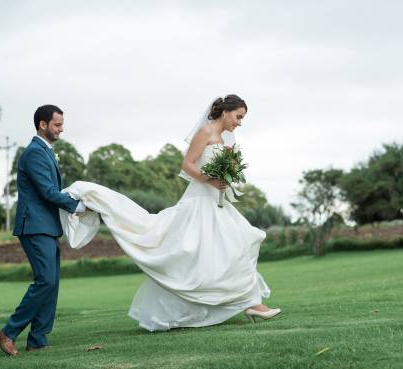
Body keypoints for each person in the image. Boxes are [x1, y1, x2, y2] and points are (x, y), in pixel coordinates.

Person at [61, 95, 281, 331]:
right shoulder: (205, 133)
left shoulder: (225, 139)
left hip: (216, 202)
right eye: (238, 116)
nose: (239, 122)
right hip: (199, 201)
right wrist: (210, 180)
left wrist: (226, 178)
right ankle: (247, 304)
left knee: (241, 241)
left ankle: (250, 302)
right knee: (197, 255)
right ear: (225, 112)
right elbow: (187, 164)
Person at [0, 105, 86, 356]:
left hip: (46, 226)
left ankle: (37, 338)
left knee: (52, 282)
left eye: (62, 124)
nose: (61, 129)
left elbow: (51, 190)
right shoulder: (34, 153)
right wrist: (76, 205)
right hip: (34, 226)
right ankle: (9, 332)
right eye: (57, 124)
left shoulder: (46, 151)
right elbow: (47, 192)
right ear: (42, 125)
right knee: (45, 280)